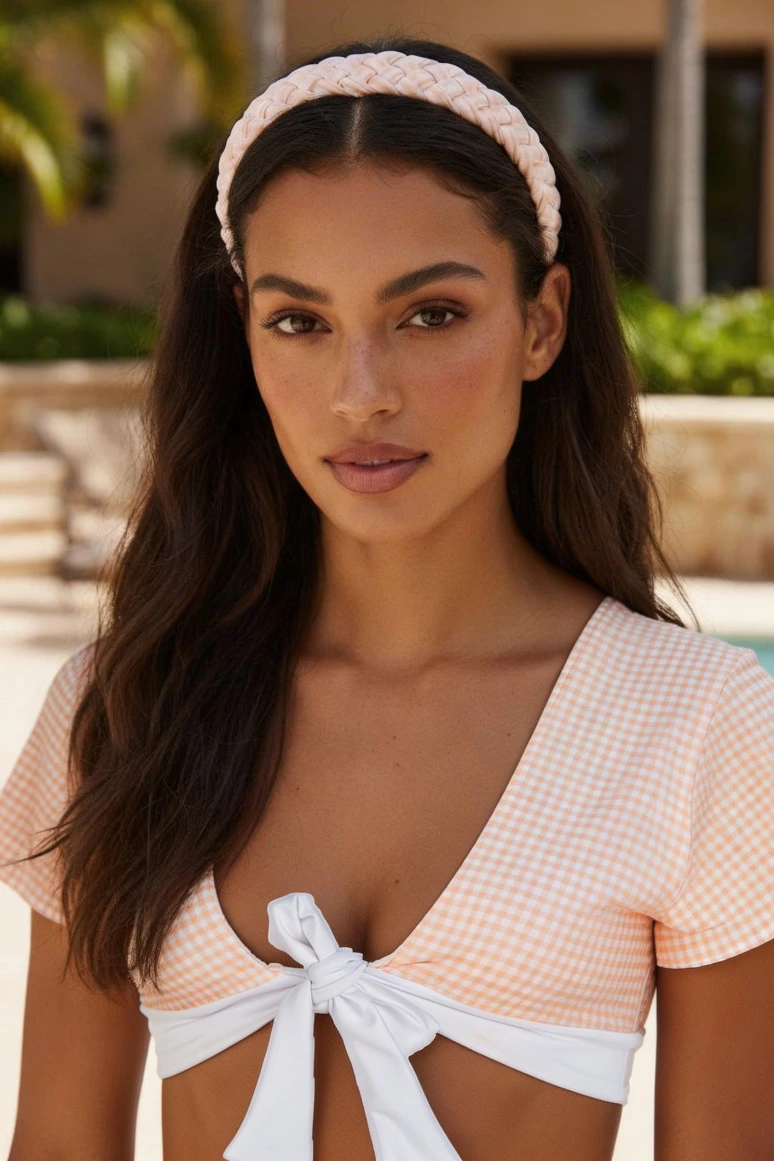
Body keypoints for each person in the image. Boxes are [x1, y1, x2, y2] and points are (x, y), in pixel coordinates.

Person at [1, 31, 773, 1161]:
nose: (360, 394)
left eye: (430, 315)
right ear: (244, 337)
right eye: (300, 322)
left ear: (543, 322)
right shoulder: (125, 708)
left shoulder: (690, 722)